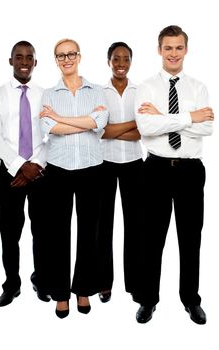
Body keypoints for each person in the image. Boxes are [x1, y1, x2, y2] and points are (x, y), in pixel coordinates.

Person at [133, 25, 214, 324]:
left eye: (178, 47)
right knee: (151, 239)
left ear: (186, 50)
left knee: (190, 239)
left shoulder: (198, 87)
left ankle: (191, 300)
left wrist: (164, 118)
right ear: (159, 50)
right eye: (168, 48)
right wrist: (189, 118)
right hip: (155, 169)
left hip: (190, 171)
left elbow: (208, 128)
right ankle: (147, 300)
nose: (173, 53)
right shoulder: (146, 87)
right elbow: (146, 128)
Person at [39, 38, 108, 318]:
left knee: (89, 233)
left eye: (70, 54)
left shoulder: (97, 91)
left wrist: (62, 118)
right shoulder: (49, 94)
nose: (66, 59)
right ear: (56, 60)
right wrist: (82, 121)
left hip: (92, 169)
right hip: (58, 170)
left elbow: (99, 123)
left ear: (79, 56)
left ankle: (83, 289)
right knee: (58, 234)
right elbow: (50, 127)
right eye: (60, 56)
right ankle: (60, 293)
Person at [0, 41, 50, 307]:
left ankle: (41, 279)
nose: (24, 61)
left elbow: (51, 134)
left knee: (43, 231)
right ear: (10, 61)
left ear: (35, 62)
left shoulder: (46, 95)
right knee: (9, 232)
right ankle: (12, 284)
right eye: (19, 57)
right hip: (11, 171)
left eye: (29, 57)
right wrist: (20, 166)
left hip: (41, 171)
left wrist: (36, 165)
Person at [97, 42, 143, 303]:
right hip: (104, 163)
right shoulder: (99, 92)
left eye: (126, 58)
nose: (121, 63)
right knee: (103, 225)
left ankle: (135, 283)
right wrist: (132, 125)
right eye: (116, 58)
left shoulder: (140, 91)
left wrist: (118, 128)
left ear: (131, 62)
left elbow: (144, 131)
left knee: (136, 226)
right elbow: (100, 131)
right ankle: (104, 282)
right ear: (109, 61)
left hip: (135, 164)